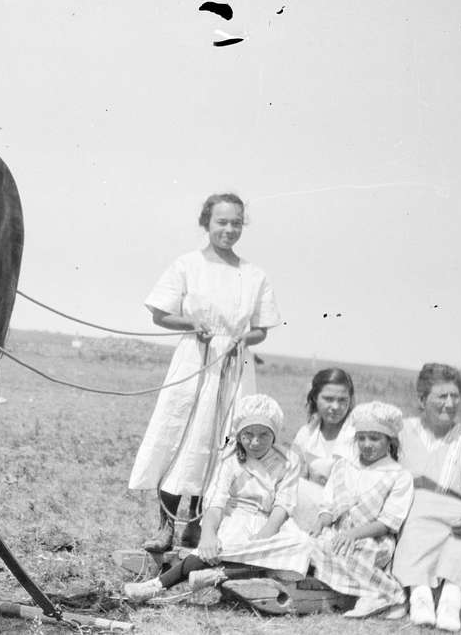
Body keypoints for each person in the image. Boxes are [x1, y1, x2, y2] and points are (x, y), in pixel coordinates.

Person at [129, 193, 280, 553]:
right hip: (195, 360)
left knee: (219, 442)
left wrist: (245, 337)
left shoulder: (254, 274)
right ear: (206, 223)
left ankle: (195, 526)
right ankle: (165, 526)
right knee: (180, 435)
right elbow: (159, 314)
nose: (229, 230)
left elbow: (262, 328)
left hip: (235, 365)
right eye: (221, 222)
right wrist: (192, 323)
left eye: (236, 223)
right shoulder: (186, 265)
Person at [124, 395, 310, 604]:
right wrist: (209, 534)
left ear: (274, 434)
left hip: (271, 521)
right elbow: (216, 501)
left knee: (301, 543)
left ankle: (219, 574)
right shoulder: (229, 457)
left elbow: (283, 505)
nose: (255, 442)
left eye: (264, 435)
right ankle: (154, 586)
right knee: (217, 547)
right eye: (248, 434)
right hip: (236, 514)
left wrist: (264, 536)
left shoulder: (288, 460)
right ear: (239, 434)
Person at [392, 363, 461, 631]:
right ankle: (420, 594)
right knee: (416, 513)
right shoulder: (400, 431)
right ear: (422, 399)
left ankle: (451, 599)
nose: (450, 403)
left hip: (455, 513)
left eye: (455, 396)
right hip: (412, 509)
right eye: (442, 396)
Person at [308, 400, 413, 619]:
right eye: (361, 438)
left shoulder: (398, 475)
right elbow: (329, 504)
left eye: (374, 438)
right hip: (339, 533)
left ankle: (384, 594)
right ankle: (332, 591)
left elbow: (387, 523)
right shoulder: (345, 466)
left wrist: (353, 534)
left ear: (390, 441)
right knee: (309, 544)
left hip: (371, 539)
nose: (366, 444)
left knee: (348, 553)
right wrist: (322, 520)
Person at [290, 368, 358, 531]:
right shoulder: (306, 434)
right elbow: (295, 478)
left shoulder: (358, 436)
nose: (335, 406)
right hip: (309, 509)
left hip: (347, 511)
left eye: (343, 400)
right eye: (328, 399)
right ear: (314, 397)